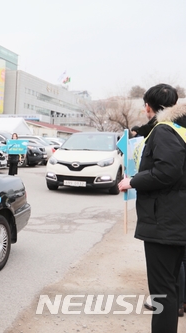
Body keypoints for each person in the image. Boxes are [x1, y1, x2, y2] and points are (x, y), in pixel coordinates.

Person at [118, 84, 185, 333]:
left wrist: (132, 181)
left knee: (163, 292)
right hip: (176, 220)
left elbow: (168, 171)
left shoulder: (164, 131)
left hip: (166, 222)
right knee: (172, 286)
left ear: (149, 106)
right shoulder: (180, 129)